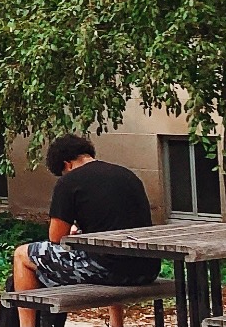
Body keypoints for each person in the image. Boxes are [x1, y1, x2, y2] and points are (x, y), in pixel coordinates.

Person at [11, 135, 161, 327]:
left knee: (22, 255)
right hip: (146, 269)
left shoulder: (70, 181)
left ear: (67, 164)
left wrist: (72, 231)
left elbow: (55, 237)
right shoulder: (127, 175)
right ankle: (117, 324)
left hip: (109, 271)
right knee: (110, 251)